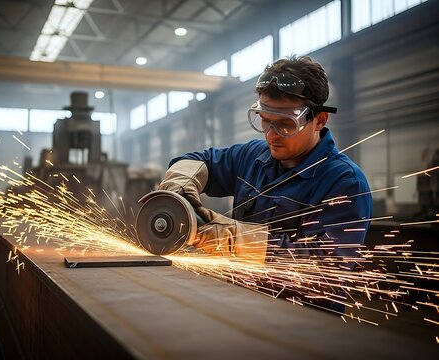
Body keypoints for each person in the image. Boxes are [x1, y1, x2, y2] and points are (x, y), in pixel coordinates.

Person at [158, 55, 373, 312]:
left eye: (285, 125)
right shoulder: (252, 156)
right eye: (265, 120)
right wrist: (178, 186)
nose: (271, 135)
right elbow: (197, 160)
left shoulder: (344, 182)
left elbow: (324, 270)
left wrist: (233, 239)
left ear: (319, 120)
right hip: (242, 306)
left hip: (304, 326)